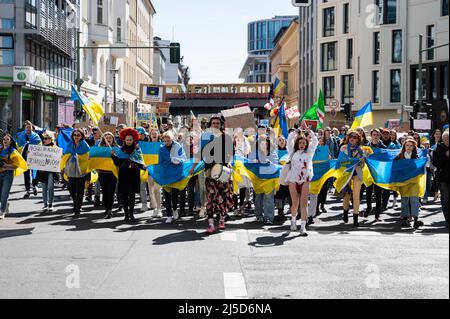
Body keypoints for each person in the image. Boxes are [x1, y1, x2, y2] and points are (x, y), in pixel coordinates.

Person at [201, 115, 234, 234]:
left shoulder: (226, 137)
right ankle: (210, 224)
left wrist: (229, 163)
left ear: (221, 125)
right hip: (210, 171)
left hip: (223, 171)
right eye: (213, 123)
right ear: (210, 125)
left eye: (217, 123)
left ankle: (221, 220)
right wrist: (193, 167)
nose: (215, 125)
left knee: (222, 198)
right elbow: (200, 153)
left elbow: (231, 154)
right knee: (210, 198)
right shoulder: (206, 137)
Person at [286, 121, 318, 236]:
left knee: (304, 204)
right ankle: (293, 221)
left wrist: (309, 131)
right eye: (300, 143)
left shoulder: (309, 153)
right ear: (297, 143)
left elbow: (315, 142)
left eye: (304, 143)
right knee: (295, 204)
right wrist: (296, 131)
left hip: (305, 179)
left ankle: (303, 227)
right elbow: (289, 140)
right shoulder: (292, 152)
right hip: (293, 179)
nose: (302, 145)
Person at [111, 128, 146, 223]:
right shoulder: (121, 150)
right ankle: (126, 215)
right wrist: (113, 156)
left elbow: (140, 161)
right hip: (124, 175)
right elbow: (117, 163)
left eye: (130, 140)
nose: (129, 141)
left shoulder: (137, 149)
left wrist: (143, 166)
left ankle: (131, 214)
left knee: (132, 195)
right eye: (127, 140)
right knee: (125, 195)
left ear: (133, 140)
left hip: (134, 175)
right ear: (124, 140)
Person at [248, 134, 278, 225]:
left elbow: (276, 164)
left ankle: (269, 217)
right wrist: (254, 162)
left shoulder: (273, 152)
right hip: (258, 179)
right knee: (258, 198)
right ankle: (258, 215)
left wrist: (268, 163)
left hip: (269, 179)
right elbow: (249, 162)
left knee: (269, 198)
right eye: (261, 141)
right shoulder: (254, 152)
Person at [158, 131, 187, 224]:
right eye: (165, 141)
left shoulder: (178, 146)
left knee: (175, 194)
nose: (166, 143)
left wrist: (178, 160)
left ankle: (175, 210)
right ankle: (169, 215)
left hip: (176, 173)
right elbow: (160, 163)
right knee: (167, 195)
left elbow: (184, 158)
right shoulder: (161, 149)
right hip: (166, 174)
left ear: (172, 139)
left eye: (168, 140)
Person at [395, 138, 424, 229]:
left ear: (413, 147)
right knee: (404, 200)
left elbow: (420, 167)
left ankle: (416, 220)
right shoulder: (399, 157)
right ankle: (405, 219)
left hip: (414, 182)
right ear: (404, 146)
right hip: (403, 182)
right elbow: (394, 168)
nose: (409, 147)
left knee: (414, 200)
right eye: (407, 145)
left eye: (411, 146)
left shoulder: (416, 157)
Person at [339, 131, 366, 227]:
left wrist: (362, 161)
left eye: (355, 137)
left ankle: (355, 218)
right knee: (347, 194)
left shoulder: (360, 149)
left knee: (356, 195)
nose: (352, 138)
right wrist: (355, 160)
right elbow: (341, 161)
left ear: (358, 139)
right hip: (347, 173)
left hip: (357, 173)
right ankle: (345, 212)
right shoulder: (344, 147)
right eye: (351, 136)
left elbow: (362, 165)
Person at [61, 129, 90, 216]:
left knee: (80, 190)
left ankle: (78, 207)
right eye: (75, 135)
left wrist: (78, 156)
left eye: (78, 135)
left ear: (81, 136)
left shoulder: (84, 145)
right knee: (71, 189)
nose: (76, 137)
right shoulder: (70, 144)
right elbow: (66, 155)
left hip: (81, 170)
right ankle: (76, 203)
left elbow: (87, 157)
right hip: (71, 169)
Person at [0, 134, 28, 219]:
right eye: (4, 139)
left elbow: (17, 165)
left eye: (7, 139)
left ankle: (2, 211)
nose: (5, 141)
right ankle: (6, 204)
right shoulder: (0, 150)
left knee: (4, 194)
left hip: (8, 174)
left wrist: (6, 166)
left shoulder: (13, 151)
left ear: (11, 141)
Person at [364, 129, 386, 221]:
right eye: (374, 134)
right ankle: (369, 207)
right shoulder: (366, 147)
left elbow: (386, 157)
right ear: (371, 136)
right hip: (368, 172)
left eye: (377, 135)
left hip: (378, 173)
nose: (375, 136)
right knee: (368, 193)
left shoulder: (383, 147)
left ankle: (377, 214)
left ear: (379, 136)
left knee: (378, 194)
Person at [16, 121, 42, 198]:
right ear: (24, 128)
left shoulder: (36, 136)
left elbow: (39, 146)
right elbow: (18, 147)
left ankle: (34, 186)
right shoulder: (20, 136)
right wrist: (24, 150)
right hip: (24, 158)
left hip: (34, 158)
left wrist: (32, 151)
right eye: (27, 127)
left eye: (29, 127)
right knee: (26, 174)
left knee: (34, 173)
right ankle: (27, 190)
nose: (28, 128)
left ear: (32, 128)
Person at [35, 133, 58, 212]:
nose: (44, 140)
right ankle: (45, 204)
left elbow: (58, 158)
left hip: (51, 171)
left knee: (50, 187)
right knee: (44, 188)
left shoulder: (55, 148)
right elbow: (36, 158)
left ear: (50, 139)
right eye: (43, 139)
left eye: (46, 139)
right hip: (42, 171)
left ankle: (50, 204)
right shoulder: (41, 148)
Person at [98, 132, 118, 219]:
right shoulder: (99, 148)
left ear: (113, 139)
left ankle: (109, 209)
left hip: (112, 173)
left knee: (111, 192)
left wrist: (115, 155)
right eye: (106, 137)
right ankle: (106, 208)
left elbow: (119, 160)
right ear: (103, 139)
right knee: (105, 192)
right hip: (102, 173)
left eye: (110, 137)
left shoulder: (117, 148)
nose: (108, 139)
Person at [433, 131, 449, 227]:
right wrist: (445, 155)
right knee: (446, 199)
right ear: (443, 140)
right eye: (447, 139)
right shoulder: (439, 148)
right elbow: (436, 163)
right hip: (444, 179)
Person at [148, 128, 163, 218]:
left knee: (158, 190)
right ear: (150, 135)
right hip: (150, 171)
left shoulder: (162, 145)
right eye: (152, 133)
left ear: (158, 135)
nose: (154, 135)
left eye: (155, 133)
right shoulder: (146, 146)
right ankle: (154, 208)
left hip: (159, 171)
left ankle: (159, 209)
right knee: (151, 191)